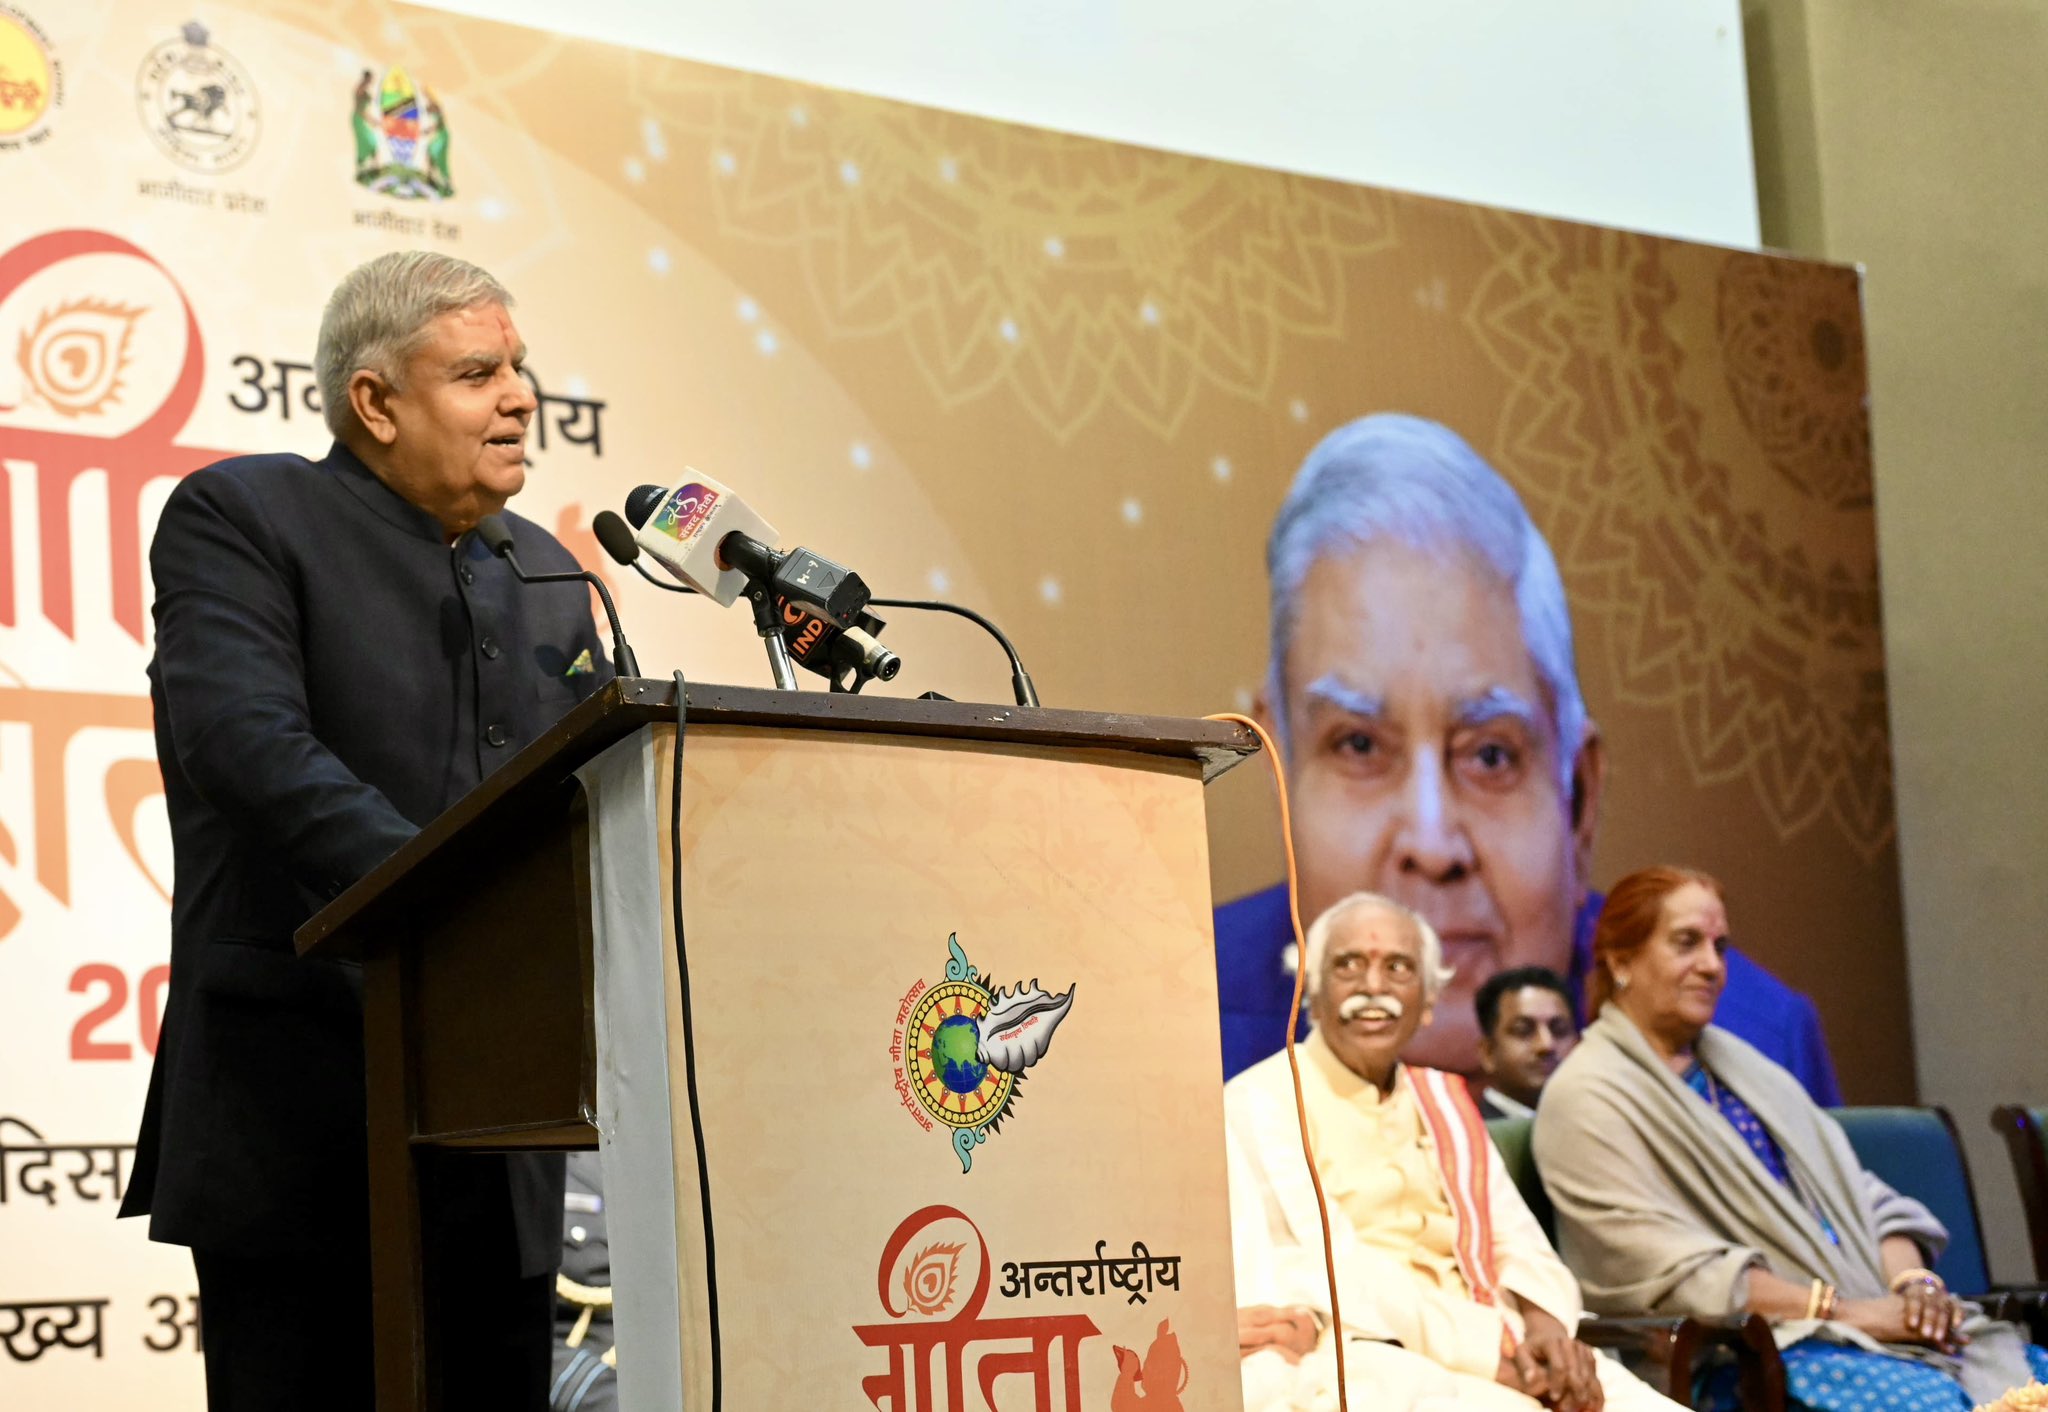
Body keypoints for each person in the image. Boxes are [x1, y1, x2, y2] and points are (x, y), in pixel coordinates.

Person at [119, 251, 611, 1410]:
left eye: (520, 368)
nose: (519, 396)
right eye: (477, 371)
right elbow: (246, 746)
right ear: (375, 402)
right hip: (296, 1108)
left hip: (502, 1127)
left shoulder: (543, 567)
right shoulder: (244, 514)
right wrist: (454, 904)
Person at [1214, 412, 1840, 1104]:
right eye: (1359, 745)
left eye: (1489, 755)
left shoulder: (1755, 1050)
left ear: (1579, 799)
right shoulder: (1164, 1034)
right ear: (1280, 774)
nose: (1432, 842)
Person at [1533, 867, 2048, 1411]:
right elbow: (1670, 1273)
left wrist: (1913, 1291)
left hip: (1872, 1330)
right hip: (1742, 1355)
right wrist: (1848, 1312)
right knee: (1934, 1402)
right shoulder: (1585, 1097)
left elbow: (1865, 1201)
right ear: (1620, 961)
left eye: (1720, 946)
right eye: (1687, 943)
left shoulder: (1747, 1071)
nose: (1712, 966)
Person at [1226, 891, 1684, 1412]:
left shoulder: (1440, 1099)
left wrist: (1549, 1330)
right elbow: (1332, 1269)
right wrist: (1491, 1352)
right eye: (1348, 965)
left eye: (1397, 967)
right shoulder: (1262, 1100)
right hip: (1370, 1352)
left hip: (1508, 1343)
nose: (1372, 987)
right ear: (1312, 992)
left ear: (1426, 1004)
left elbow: (1517, 1238)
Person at [1472, 966, 1578, 1120]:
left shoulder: (1595, 1123)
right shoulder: (1471, 1136)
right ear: (1488, 1053)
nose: (1546, 1044)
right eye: (1523, 1031)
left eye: (1559, 1030)